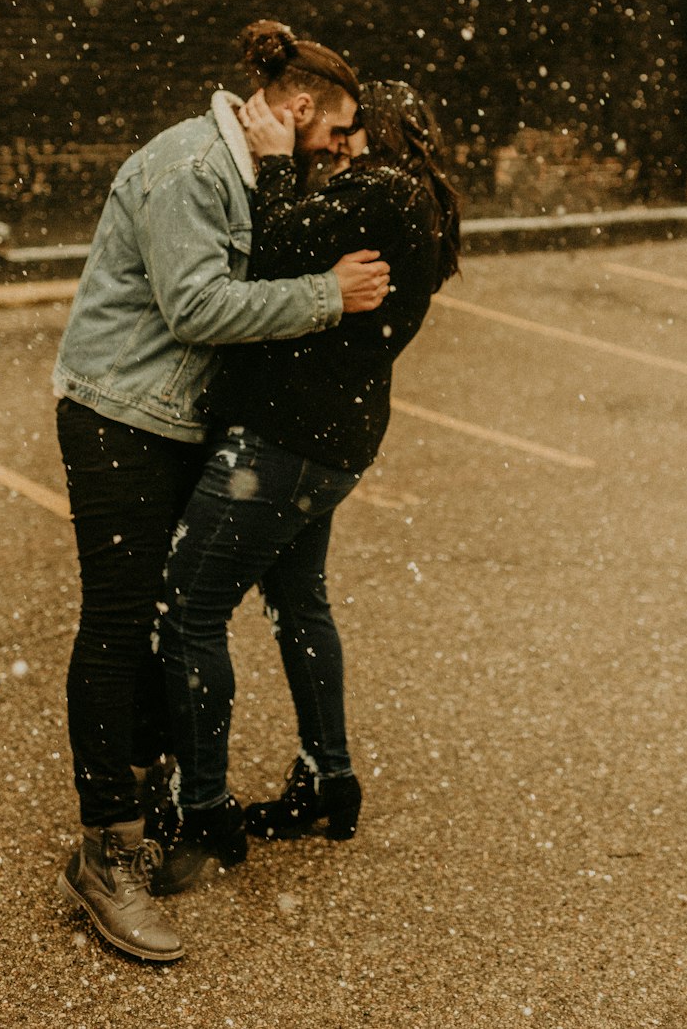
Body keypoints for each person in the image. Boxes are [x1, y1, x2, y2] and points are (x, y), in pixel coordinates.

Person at [53, 22, 391, 963]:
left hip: (173, 420)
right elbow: (197, 305)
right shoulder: (193, 167)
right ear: (297, 111)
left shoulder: (249, 168)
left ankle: (151, 802)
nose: (341, 154)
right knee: (119, 624)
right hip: (119, 415)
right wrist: (328, 294)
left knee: (165, 619)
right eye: (336, 134)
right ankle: (102, 852)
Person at [152, 80, 461, 895]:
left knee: (188, 610)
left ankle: (203, 808)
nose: (338, 142)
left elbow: (269, 247)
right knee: (298, 600)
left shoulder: (382, 190)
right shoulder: (418, 202)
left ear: (379, 133)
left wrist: (280, 165)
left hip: (287, 441)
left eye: (352, 129)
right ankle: (331, 779)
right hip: (335, 439)